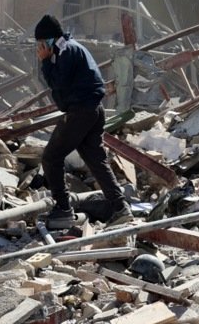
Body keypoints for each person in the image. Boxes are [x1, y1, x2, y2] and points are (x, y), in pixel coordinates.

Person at [35, 14, 132, 228]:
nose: (40, 48)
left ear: (48, 39)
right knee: (96, 160)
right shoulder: (71, 48)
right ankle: (120, 208)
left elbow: (58, 84)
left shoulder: (65, 52)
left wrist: (45, 62)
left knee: (51, 157)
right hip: (94, 110)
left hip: (80, 111)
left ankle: (63, 209)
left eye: (41, 43)